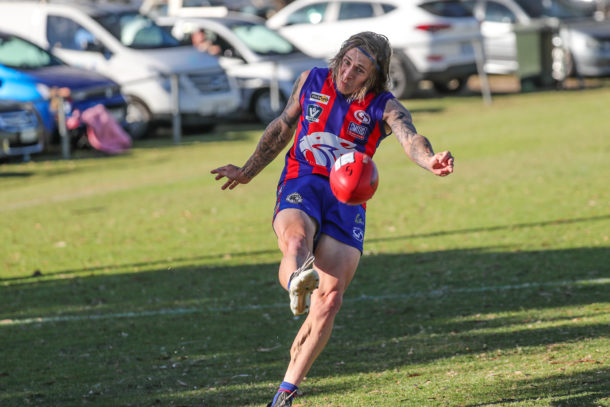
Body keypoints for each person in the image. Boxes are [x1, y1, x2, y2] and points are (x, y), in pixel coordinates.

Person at [211, 31, 454, 407]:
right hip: (302, 180)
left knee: (330, 299)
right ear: (339, 58)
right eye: (346, 63)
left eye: (359, 70)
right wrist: (246, 171)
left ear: (374, 77)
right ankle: (296, 281)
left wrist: (429, 159)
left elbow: (411, 138)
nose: (348, 73)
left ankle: (285, 393)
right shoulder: (310, 81)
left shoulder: (384, 105)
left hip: (349, 198)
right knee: (296, 241)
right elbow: (281, 128)